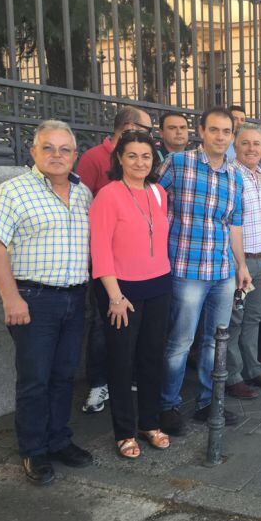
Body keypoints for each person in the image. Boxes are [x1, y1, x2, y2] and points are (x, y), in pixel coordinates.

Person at [0, 120, 93, 485]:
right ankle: (33, 450)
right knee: (35, 380)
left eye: (65, 149)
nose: (57, 155)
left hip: (75, 298)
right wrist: (10, 297)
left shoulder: (83, 193)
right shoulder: (13, 190)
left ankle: (58, 440)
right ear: (34, 152)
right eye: (48, 148)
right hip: (33, 299)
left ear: (75, 155)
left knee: (64, 376)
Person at [158, 107, 251, 436]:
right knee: (181, 342)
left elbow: (234, 226)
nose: (221, 137)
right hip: (186, 268)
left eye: (226, 132)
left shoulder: (235, 176)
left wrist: (241, 266)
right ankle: (167, 405)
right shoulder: (178, 164)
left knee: (216, 342)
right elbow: (153, 206)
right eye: (214, 130)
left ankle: (207, 404)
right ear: (201, 131)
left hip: (223, 270)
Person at [89, 130, 171, 459]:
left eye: (146, 156)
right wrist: (114, 295)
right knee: (122, 362)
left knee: (152, 358)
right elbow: (100, 248)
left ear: (154, 161)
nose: (140, 162)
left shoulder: (158, 192)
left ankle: (149, 423)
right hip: (121, 290)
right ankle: (124, 431)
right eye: (133, 155)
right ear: (120, 158)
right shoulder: (108, 195)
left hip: (159, 284)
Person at [77, 105, 153, 414]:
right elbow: (81, 202)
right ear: (130, 128)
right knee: (102, 325)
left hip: (138, 270)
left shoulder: (151, 185)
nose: (140, 158)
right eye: (147, 130)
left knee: (130, 331)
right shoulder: (94, 158)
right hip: (106, 264)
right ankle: (98, 384)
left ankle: (125, 377)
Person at [224, 125, 261, 398]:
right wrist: (240, 263)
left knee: (253, 319)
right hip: (238, 262)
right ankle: (232, 376)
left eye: (257, 144)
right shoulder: (230, 175)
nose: (252, 148)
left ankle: (253, 370)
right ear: (236, 146)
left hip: (260, 261)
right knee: (234, 321)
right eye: (245, 143)